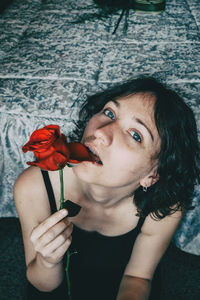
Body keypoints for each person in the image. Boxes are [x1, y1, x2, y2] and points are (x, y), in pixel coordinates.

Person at [14, 77, 200, 300]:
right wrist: (47, 261)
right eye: (109, 113)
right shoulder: (34, 186)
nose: (101, 132)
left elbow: (138, 277)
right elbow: (42, 285)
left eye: (135, 135)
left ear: (152, 175)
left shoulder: (165, 205)